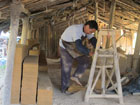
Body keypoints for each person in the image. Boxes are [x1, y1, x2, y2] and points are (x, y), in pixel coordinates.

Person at [59, 20, 98, 94]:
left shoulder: (87, 31)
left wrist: (100, 47)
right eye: (90, 31)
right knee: (66, 67)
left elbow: (93, 40)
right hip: (65, 47)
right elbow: (79, 46)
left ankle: (75, 76)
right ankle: (65, 88)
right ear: (86, 26)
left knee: (85, 60)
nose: (90, 33)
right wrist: (88, 52)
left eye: (92, 32)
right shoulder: (76, 30)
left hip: (74, 46)